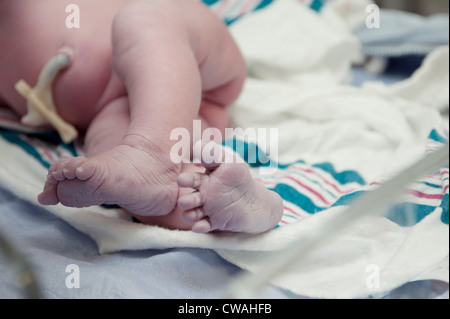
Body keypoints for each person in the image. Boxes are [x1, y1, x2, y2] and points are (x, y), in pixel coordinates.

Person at [0, 0, 283, 234]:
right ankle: (234, 207)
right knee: (114, 171)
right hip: (118, 109)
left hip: (183, 53)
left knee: (143, 18)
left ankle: (151, 152)